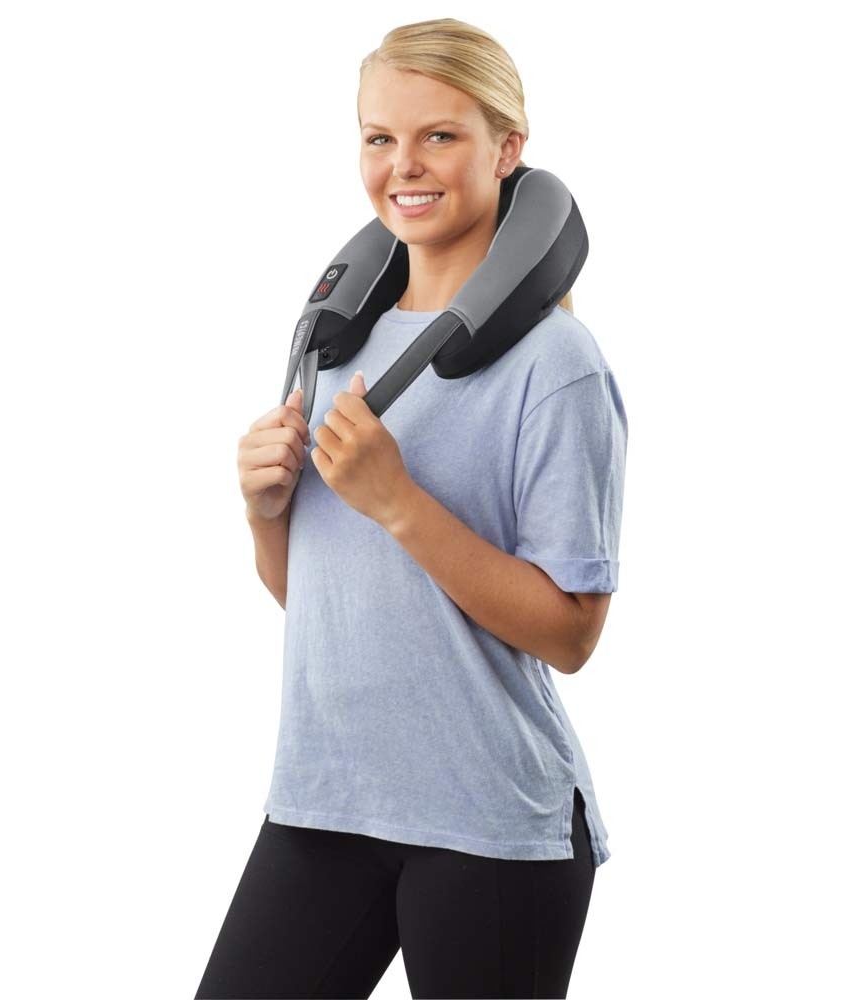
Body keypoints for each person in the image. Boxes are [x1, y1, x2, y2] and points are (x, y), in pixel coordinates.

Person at [196, 17, 628, 1000]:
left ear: (506, 149)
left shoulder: (557, 366)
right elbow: (320, 600)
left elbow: (572, 633)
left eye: (440, 135)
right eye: (379, 137)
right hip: (325, 801)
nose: (404, 165)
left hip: (490, 825)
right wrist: (265, 512)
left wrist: (400, 504)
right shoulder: (334, 341)